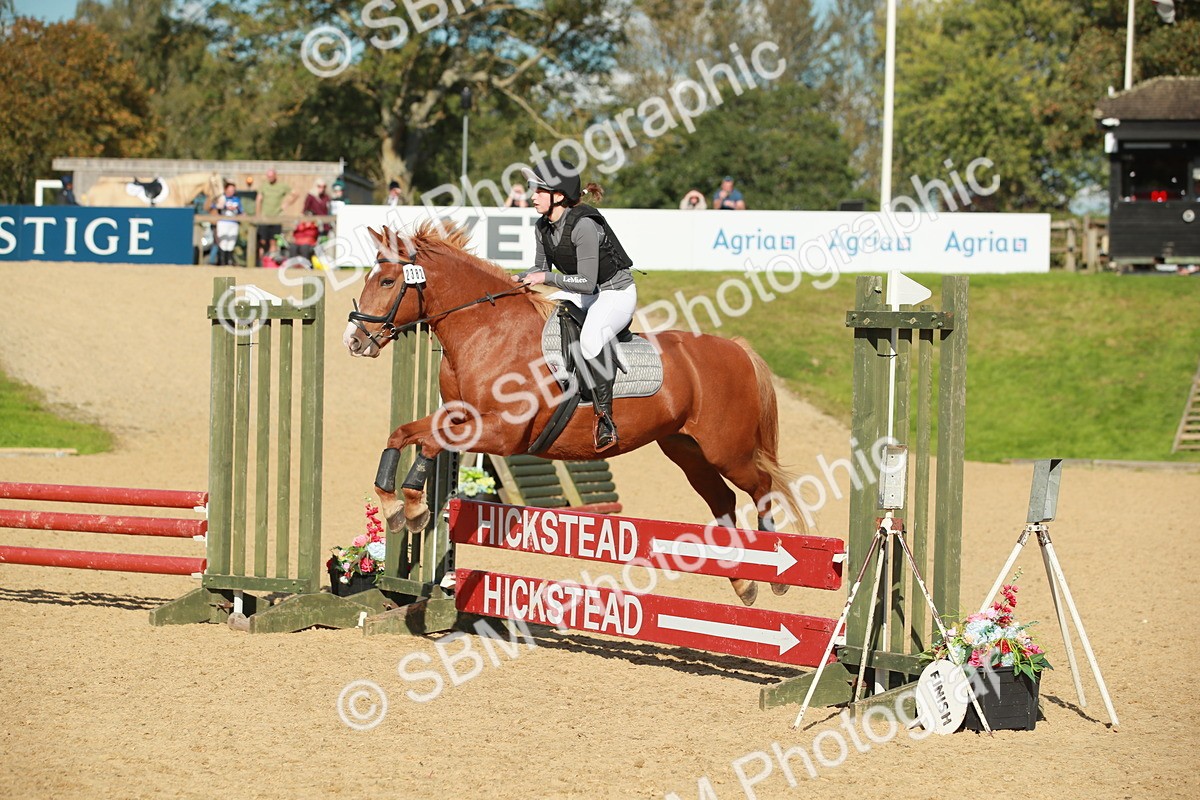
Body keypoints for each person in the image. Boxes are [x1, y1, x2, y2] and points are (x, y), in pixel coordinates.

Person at [511, 159, 636, 452]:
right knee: (544, 317)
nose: (532, 196)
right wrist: (516, 278)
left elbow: (587, 283)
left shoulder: (584, 226)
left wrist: (545, 278)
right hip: (586, 292)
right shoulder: (543, 226)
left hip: (615, 293)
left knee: (591, 340)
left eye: (539, 190)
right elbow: (540, 269)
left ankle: (605, 419)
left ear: (558, 195)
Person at [255, 168, 296, 263]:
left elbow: (295, 194)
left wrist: (286, 204)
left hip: (276, 217)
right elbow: (258, 200)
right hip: (264, 218)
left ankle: (270, 261)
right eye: (268, 176)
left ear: (275, 176)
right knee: (262, 241)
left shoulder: (282, 186)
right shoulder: (263, 186)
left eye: (271, 176)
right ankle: (260, 261)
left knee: (273, 241)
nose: (270, 178)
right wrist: (257, 215)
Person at [213, 182, 243, 266]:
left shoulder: (237, 199)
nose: (231, 192)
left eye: (233, 190)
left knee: (231, 242)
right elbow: (213, 207)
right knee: (223, 242)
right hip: (223, 222)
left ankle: (229, 261)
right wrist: (222, 205)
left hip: (233, 223)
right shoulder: (221, 198)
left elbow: (241, 211)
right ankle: (222, 262)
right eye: (229, 190)